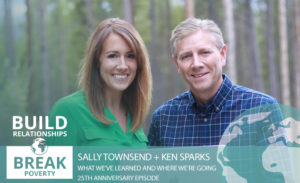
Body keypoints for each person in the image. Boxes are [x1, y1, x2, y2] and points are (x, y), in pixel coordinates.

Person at [148, 18, 280, 146]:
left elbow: (279, 168)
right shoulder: (163, 119)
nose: (196, 64)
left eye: (204, 52)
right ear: (177, 64)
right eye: (186, 56)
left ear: (222, 55)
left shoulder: (262, 109)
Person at [49, 18, 152, 146]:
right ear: (97, 61)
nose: (123, 65)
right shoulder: (67, 111)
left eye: (130, 56)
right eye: (113, 56)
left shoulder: (134, 117)